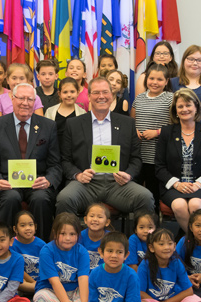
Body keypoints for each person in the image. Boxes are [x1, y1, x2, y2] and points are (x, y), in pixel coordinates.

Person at [56, 77, 154, 216]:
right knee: (65, 199)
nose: (101, 96)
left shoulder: (127, 123)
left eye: (105, 92)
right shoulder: (73, 124)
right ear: (89, 96)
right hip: (86, 184)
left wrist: (129, 175)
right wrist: (78, 175)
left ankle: (136, 238)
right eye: (96, 93)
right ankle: (70, 237)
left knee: (145, 198)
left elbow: (136, 158)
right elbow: (65, 159)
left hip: (118, 184)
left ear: (112, 95)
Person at [0, 83, 61, 240]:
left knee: (41, 199)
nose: (25, 103)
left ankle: (40, 247)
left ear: (35, 102)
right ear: (12, 99)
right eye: (21, 98)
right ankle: (5, 244)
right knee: (11, 198)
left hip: (37, 182)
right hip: (8, 182)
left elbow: (55, 164)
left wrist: (48, 180)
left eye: (30, 99)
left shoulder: (48, 126)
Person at [67, 232, 155, 302]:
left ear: (126, 255)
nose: (114, 255)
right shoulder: (94, 273)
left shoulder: (132, 275)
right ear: (101, 252)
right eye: (109, 251)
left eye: (119, 252)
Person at [156, 88, 201, 233]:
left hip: (200, 185)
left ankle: (188, 240)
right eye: (180, 106)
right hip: (173, 186)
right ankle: (194, 240)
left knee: (195, 205)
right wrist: (177, 184)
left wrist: (198, 184)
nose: (185, 109)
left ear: (196, 107)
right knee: (179, 206)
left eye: (188, 105)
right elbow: (159, 167)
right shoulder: (167, 132)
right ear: (175, 110)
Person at [137, 229, 201, 302]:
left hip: (171, 301)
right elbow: (140, 293)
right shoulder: (145, 265)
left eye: (170, 243)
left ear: (175, 246)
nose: (167, 247)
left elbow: (189, 291)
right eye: (161, 244)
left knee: (198, 301)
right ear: (151, 247)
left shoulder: (176, 262)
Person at [33, 213, 90, 302]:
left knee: (94, 295)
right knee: (39, 298)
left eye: (72, 234)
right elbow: (55, 283)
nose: (67, 238)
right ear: (55, 233)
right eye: (63, 234)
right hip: (52, 291)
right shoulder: (47, 251)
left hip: (75, 291)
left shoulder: (82, 251)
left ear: (78, 235)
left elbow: (83, 280)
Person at [131, 63, 173, 205]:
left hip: (157, 155)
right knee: (136, 192)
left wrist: (157, 132)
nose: (155, 82)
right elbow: (132, 121)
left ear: (166, 81)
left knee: (152, 192)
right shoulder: (139, 98)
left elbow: (176, 126)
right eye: (151, 78)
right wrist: (134, 130)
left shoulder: (170, 98)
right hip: (138, 153)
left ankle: (152, 224)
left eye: (160, 79)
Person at [11, 210, 46, 293]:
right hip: (22, 281)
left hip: (39, 280)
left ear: (35, 227)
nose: (28, 228)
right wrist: (33, 282)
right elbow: (16, 269)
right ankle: (38, 289)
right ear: (15, 229)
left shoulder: (42, 245)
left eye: (31, 225)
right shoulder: (11, 245)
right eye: (23, 225)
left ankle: (39, 289)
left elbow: (46, 266)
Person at [79, 203, 112, 270]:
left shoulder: (111, 238)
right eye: (91, 216)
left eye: (100, 217)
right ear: (85, 220)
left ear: (107, 222)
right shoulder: (79, 237)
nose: (95, 219)